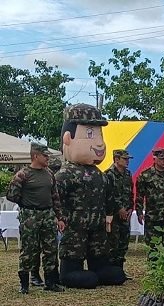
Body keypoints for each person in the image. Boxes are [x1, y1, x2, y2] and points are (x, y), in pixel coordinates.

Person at [57, 104, 125, 288]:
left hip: (97, 224)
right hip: (75, 225)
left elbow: (109, 196)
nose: (99, 143)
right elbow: (56, 198)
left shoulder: (99, 174)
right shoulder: (66, 173)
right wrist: (60, 217)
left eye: (99, 135)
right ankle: (69, 271)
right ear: (68, 138)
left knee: (100, 253)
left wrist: (112, 213)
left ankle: (100, 267)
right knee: (74, 251)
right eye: (89, 134)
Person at [6, 143, 65, 293]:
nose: (47, 158)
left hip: (48, 214)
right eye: (45, 156)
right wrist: (26, 204)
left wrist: (60, 218)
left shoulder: (49, 174)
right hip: (30, 216)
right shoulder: (23, 174)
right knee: (29, 249)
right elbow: (11, 195)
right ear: (35, 156)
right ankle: (24, 284)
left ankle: (51, 282)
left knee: (51, 249)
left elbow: (55, 197)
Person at [136, 148, 164, 247]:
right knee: (153, 247)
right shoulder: (145, 175)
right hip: (153, 218)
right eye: (161, 159)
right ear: (154, 159)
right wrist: (139, 212)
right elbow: (139, 196)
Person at [104, 149, 134, 279]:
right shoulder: (108, 175)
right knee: (113, 243)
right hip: (114, 215)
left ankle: (120, 271)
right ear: (116, 160)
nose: (127, 161)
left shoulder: (128, 174)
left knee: (123, 241)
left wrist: (129, 209)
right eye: (124, 159)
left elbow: (130, 193)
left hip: (125, 215)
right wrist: (119, 209)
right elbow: (108, 195)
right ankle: (112, 271)